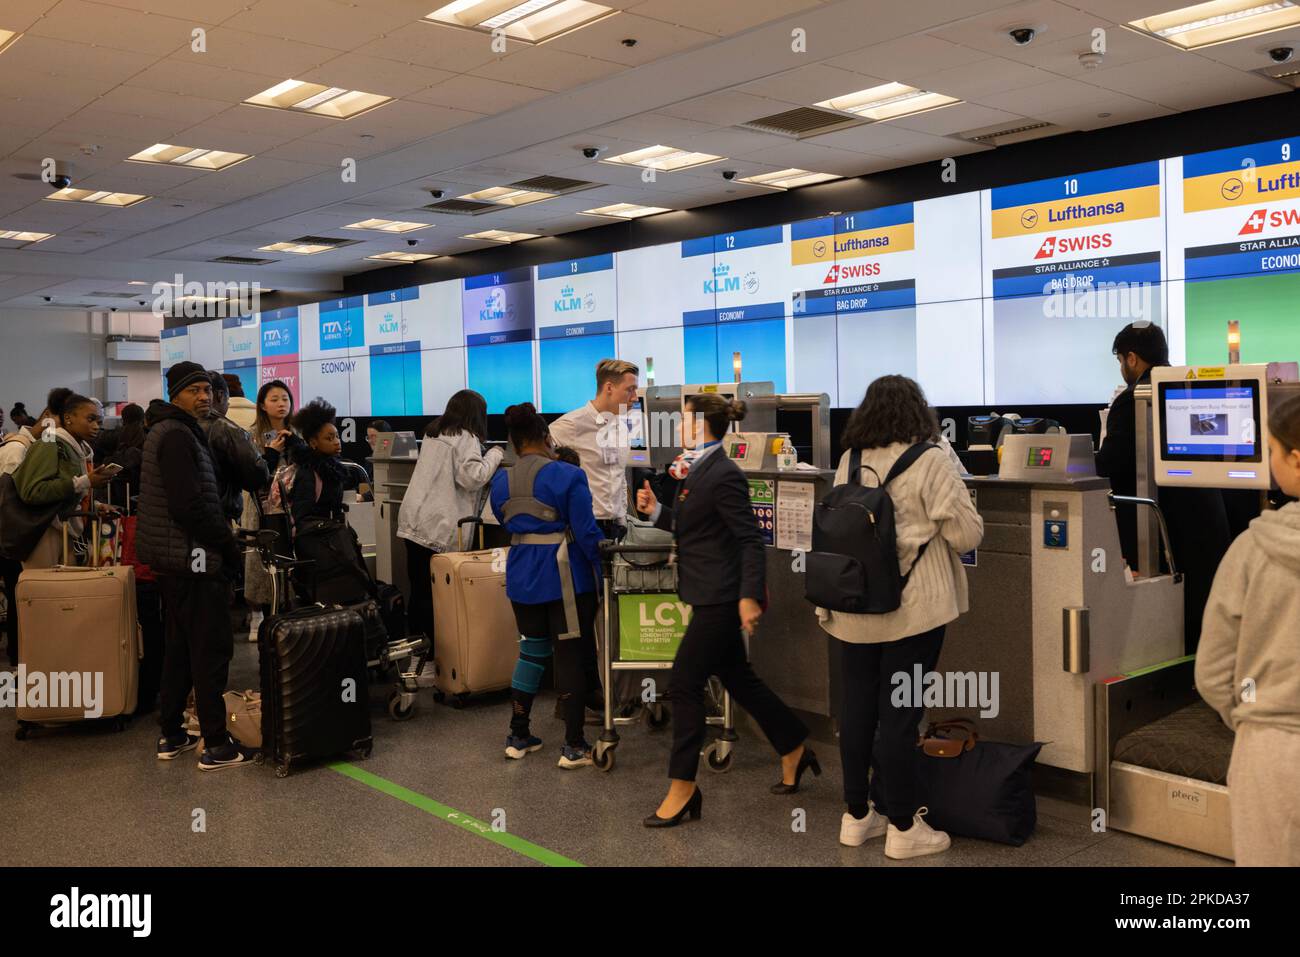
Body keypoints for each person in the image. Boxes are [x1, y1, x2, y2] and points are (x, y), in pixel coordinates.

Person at [817, 375, 984, 859]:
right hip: (912, 613)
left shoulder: (850, 460)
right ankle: (905, 827)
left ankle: (856, 816)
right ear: (919, 412)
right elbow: (967, 535)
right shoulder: (930, 460)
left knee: (857, 711)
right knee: (899, 716)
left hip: (852, 609)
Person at [635, 393, 813, 827]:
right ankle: (793, 746)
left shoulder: (724, 473)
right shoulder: (699, 469)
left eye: (683, 419)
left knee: (683, 681)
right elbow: (696, 528)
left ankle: (683, 787)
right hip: (705, 592)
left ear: (700, 424)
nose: (678, 425)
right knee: (739, 679)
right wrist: (658, 512)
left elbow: (748, 539)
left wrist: (749, 595)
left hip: (721, 596)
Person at [1195, 394, 1300, 866]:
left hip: (1271, 750)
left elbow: (1214, 671)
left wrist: (1249, 714)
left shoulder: (1252, 549)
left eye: (1272, 450)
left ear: (1295, 460)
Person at [137, 361, 250, 770]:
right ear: (175, 395)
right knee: (210, 649)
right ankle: (217, 744)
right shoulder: (176, 436)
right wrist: (226, 543)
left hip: (176, 560)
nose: (203, 396)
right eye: (193, 390)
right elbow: (189, 506)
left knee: (181, 649)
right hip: (192, 560)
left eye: (206, 389)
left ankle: (171, 734)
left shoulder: (170, 430)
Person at [1095, 322, 1231, 652]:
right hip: (1205, 513)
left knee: (1171, 611)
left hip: (1160, 524)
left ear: (1131, 358)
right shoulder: (1187, 387)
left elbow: (1112, 464)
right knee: (1201, 601)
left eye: (1120, 360)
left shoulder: (1133, 399)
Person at [490, 403, 604, 768]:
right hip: (565, 578)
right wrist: (602, 569)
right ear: (546, 438)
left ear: (512, 442)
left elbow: (504, 520)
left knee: (532, 652)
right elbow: (587, 533)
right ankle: (574, 746)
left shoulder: (500, 480)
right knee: (570, 655)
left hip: (521, 575)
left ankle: (518, 734)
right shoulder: (568, 476)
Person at [397, 391, 501, 652]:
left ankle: (419, 657)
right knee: (437, 598)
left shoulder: (435, 433)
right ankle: (438, 659)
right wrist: (496, 454)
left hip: (415, 523)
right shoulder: (465, 437)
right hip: (438, 528)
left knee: (419, 593)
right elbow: (473, 477)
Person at [14, 392, 112, 569]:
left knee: (67, 591)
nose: (96, 426)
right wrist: (84, 482)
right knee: (44, 591)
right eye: (90, 419)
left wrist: (95, 505)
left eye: (98, 421)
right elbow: (32, 491)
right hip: (45, 530)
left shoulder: (80, 449)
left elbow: (73, 490)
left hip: (69, 528)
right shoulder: (50, 443)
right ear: (68, 418)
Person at [548, 359, 639, 540]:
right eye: (630, 390)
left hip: (617, 528)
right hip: (584, 526)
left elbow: (619, 477)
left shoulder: (622, 427)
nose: (635, 397)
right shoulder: (572, 424)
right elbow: (539, 459)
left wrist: (622, 519)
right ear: (609, 388)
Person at [0, 395, 57, 666]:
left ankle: (19, 651)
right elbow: (12, 496)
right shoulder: (15, 448)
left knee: (18, 592)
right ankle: (17, 653)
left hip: (13, 533)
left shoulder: (32, 444)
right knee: (16, 592)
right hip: (9, 534)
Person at [242, 380, 299, 620]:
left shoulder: (297, 433)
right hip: (263, 512)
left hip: (294, 510)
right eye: (274, 399)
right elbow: (252, 477)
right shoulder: (252, 436)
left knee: (294, 570)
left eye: (285, 399)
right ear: (263, 405)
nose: (281, 404)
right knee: (266, 570)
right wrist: (271, 453)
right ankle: (263, 619)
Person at [200, 371, 269, 523]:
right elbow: (256, 475)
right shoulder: (228, 429)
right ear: (220, 395)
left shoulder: (181, 425)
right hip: (220, 516)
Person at [97, 402, 146, 505]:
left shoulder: (114, 435)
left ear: (123, 419)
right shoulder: (148, 436)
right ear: (143, 418)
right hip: (141, 489)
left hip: (117, 489)